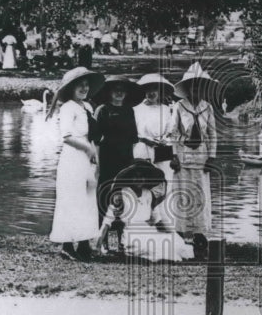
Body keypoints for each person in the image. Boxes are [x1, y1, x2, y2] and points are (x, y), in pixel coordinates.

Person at [46, 67, 106, 261]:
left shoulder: (87, 107)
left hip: (88, 159)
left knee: (87, 200)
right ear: (71, 88)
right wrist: (88, 149)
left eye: (86, 85)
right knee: (72, 200)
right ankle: (67, 245)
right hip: (73, 157)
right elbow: (67, 136)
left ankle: (83, 243)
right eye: (80, 85)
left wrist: (95, 156)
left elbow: (94, 135)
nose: (84, 89)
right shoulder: (68, 108)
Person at [96, 161, 196, 262]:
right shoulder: (121, 195)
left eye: (142, 176)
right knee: (154, 247)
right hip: (132, 235)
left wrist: (173, 234)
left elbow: (157, 221)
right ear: (130, 178)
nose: (139, 179)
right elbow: (107, 222)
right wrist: (98, 245)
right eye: (136, 176)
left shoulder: (149, 194)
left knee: (176, 243)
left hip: (149, 231)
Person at [169, 63, 218, 246]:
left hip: (202, 156)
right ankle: (182, 232)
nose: (196, 89)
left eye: (199, 86)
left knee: (201, 193)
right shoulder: (179, 106)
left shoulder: (207, 107)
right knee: (183, 193)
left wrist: (212, 157)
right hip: (183, 155)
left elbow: (212, 134)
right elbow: (172, 132)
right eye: (193, 86)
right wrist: (174, 153)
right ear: (187, 88)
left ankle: (199, 233)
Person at [93, 75, 142, 223]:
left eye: (122, 90)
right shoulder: (102, 110)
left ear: (126, 93)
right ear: (109, 92)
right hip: (106, 158)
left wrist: (131, 163)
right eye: (115, 90)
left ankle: (120, 232)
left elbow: (133, 139)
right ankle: (102, 232)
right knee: (104, 194)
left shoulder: (129, 111)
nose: (119, 93)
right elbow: (95, 140)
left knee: (123, 195)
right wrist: (97, 165)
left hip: (125, 158)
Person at [132, 73, 176, 226]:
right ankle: (144, 218)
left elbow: (171, 129)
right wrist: (146, 140)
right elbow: (133, 132)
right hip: (143, 149)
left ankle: (163, 220)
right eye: (148, 89)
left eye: (155, 89)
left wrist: (165, 137)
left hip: (162, 150)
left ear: (159, 91)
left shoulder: (165, 109)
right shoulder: (136, 109)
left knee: (163, 183)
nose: (151, 93)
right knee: (144, 183)